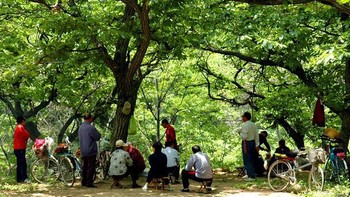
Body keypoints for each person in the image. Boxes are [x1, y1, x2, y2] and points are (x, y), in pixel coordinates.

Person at [78, 113, 101, 188]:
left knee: (85, 166)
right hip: (90, 149)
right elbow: (97, 137)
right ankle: (89, 182)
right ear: (90, 118)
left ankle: (84, 181)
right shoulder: (91, 128)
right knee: (90, 166)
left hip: (83, 149)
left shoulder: (80, 127)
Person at [239, 112, 259, 181]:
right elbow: (257, 135)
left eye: (243, 117)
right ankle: (250, 173)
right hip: (252, 142)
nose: (242, 118)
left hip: (246, 143)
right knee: (252, 158)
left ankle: (251, 176)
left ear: (245, 117)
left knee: (247, 159)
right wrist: (257, 144)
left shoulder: (245, 125)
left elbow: (244, 136)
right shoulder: (253, 125)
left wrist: (240, 132)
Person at [13, 116, 30, 183]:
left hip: (17, 148)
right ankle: (24, 178)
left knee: (19, 163)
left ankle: (19, 179)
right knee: (23, 163)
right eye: (24, 121)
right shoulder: (20, 127)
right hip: (20, 148)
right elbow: (27, 135)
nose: (25, 123)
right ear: (22, 121)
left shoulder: (17, 127)